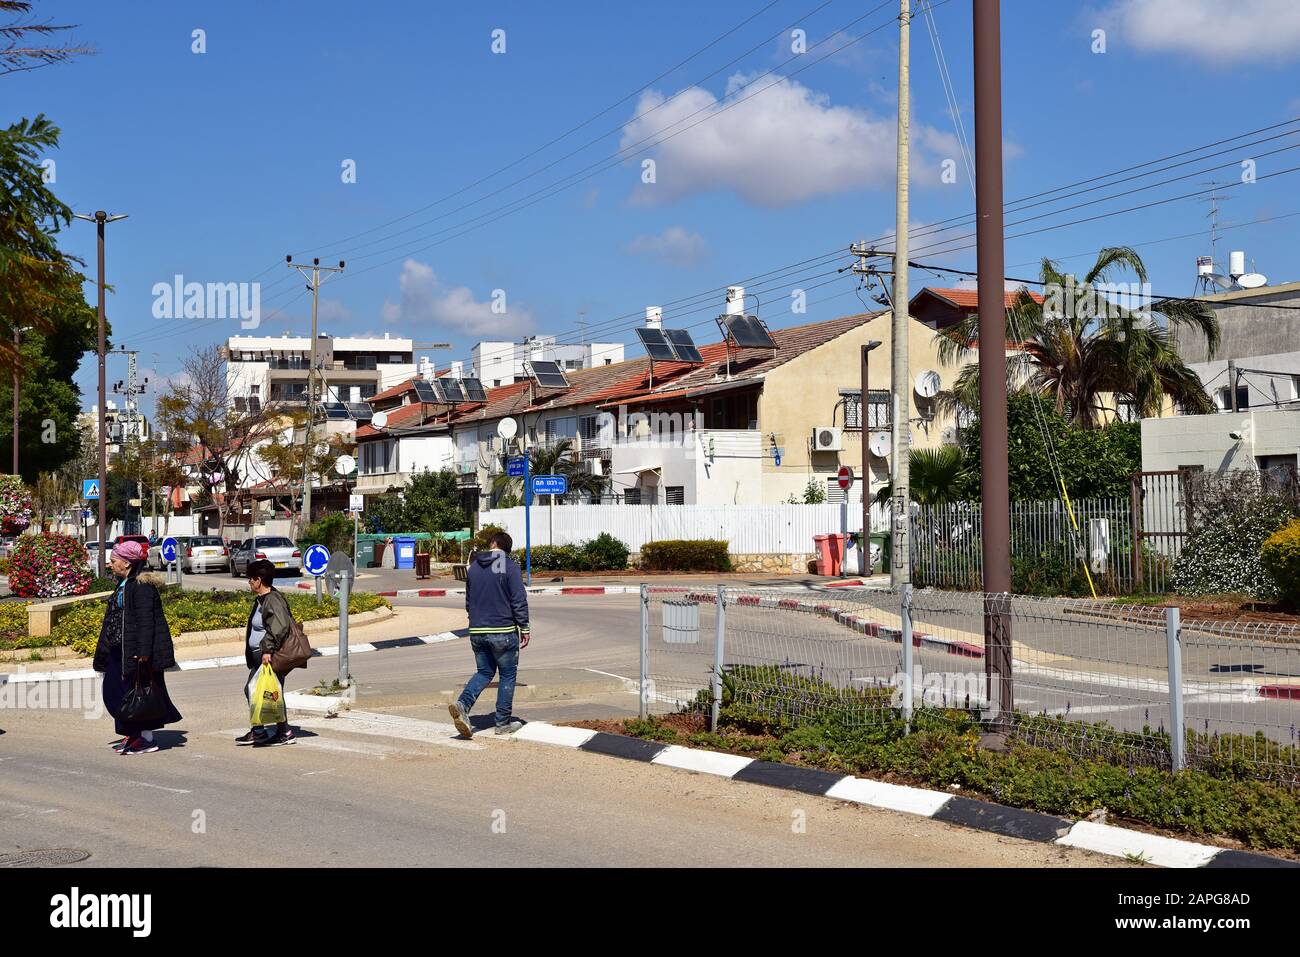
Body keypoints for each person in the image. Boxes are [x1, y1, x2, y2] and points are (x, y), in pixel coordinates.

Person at [93, 540, 182, 755]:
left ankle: (144, 738)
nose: (110, 564)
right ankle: (134, 734)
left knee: (136, 695)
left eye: (114, 561)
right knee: (116, 693)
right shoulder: (124, 583)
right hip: (119, 649)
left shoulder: (141, 586)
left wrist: (143, 653)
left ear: (127, 563)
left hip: (134, 652)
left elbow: (146, 622)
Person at [449, 531, 530, 738]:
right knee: (507, 674)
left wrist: (475, 621)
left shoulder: (474, 567)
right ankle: (502, 723)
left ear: (492, 543)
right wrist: (524, 627)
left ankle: (463, 704)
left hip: (477, 630)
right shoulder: (510, 567)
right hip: (502, 630)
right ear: (505, 548)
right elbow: (518, 599)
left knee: (484, 672)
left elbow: (468, 601)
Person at [238, 559, 297, 747]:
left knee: (264, 691)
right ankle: (265, 731)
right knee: (263, 692)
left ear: (259, 580)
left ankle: (276, 732)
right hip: (260, 656)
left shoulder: (273, 599)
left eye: (251, 579)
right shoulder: (262, 599)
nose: (249, 583)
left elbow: (279, 627)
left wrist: (268, 649)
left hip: (269, 656)